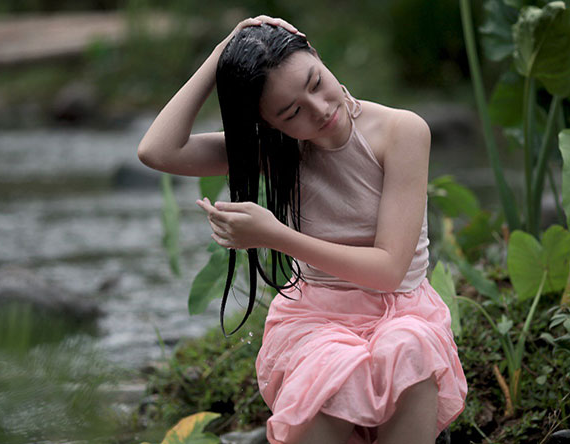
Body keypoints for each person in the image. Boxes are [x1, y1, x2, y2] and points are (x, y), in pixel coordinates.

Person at [137, 15, 467, 444]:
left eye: (316, 83)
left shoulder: (400, 131)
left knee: (409, 346)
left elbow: (389, 270)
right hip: (319, 317)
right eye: (292, 112)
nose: (320, 109)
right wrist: (222, 55)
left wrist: (275, 235)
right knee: (330, 369)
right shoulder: (275, 151)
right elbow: (158, 150)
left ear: (316, 54)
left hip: (400, 310)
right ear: (268, 122)